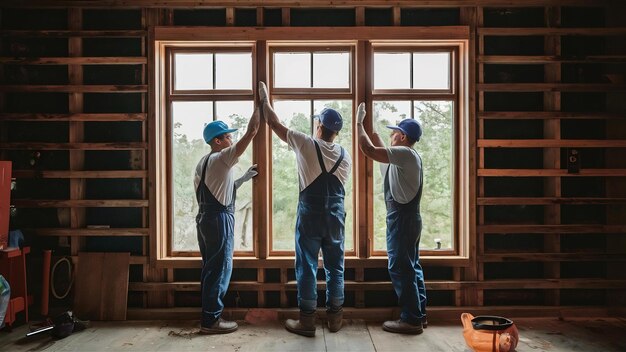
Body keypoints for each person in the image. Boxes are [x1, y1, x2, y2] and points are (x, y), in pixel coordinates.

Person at [259, 81, 352, 337]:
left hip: (311, 216)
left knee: (308, 265)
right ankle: (335, 318)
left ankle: (307, 321)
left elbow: (275, 124)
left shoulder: (305, 143)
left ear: (319, 126)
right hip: (336, 217)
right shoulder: (345, 155)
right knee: (336, 266)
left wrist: (265, 101)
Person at [355, 102, 426, 335]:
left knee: (400, 266)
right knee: (411, 266)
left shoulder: (405, 154)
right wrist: (371, 123)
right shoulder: (403, 157)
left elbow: (369, 149)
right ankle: (419, 315)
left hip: (402, 219)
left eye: (394, 132)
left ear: (403, 137)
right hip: (407, 218)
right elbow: (377, 144)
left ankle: (411, 320)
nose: (391, 136)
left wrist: (358, 124)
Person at [194, 108, 260, 334]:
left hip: (204, 218)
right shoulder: (223, 157)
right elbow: (251, 132)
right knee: (220, 269)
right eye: (228, 136)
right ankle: (211, 321)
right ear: (218, 140)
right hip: (219, 220)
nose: (231, 139)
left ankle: (210, 316)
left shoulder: (204, 163)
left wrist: (243, 178)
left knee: (211, 268)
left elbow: (221, 189)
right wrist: (260, 105)